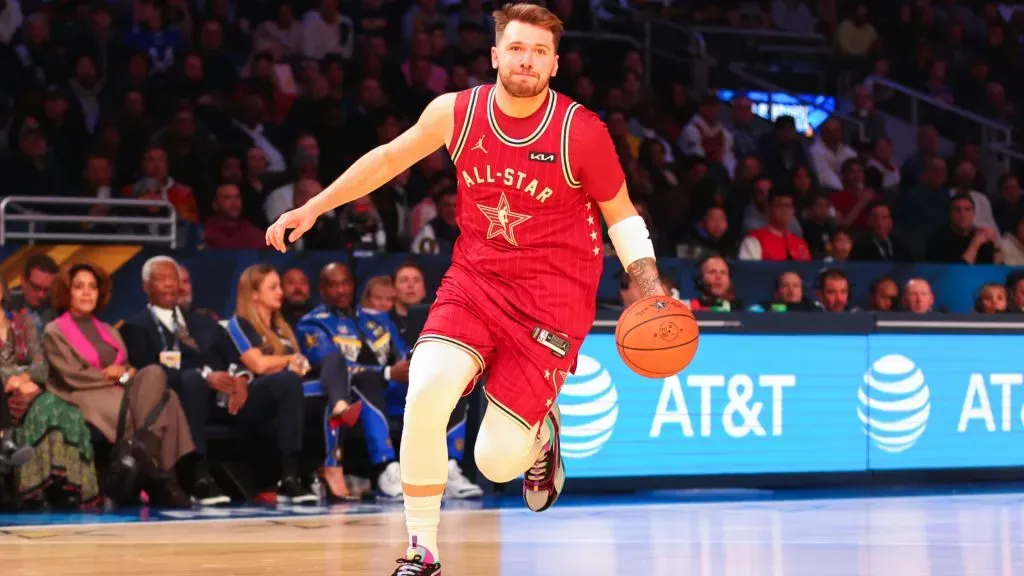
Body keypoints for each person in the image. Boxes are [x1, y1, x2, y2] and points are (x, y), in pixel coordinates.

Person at [266, 4, 665, 573]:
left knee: (495, 461)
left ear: (554, 65)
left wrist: (649, 287)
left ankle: (538, 438)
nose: (527, 59)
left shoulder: (582, 130)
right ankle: (421, 548)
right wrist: (312, 207)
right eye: (518, 48)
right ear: (496, 55)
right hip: (475, 282)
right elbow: (386, 160)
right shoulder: (457, 112)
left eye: (540, 52)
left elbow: (622, 217)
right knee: (426, 391)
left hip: (552, 301)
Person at [42, 263, 194, 507]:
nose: (87, 293)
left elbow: (128, 368)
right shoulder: (55, 331)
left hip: (118, 390)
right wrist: (111, 376)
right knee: (167, 401)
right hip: (83, 394)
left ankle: (141, 456)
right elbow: (72, 376)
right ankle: (161, 477)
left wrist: (125, 374)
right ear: (66, 292)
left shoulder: (109, 330)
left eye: (92, 287)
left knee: (154, 373)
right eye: (79, 287)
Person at [220, 264, 318, 503]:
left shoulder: (283, 328)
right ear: (254, 294)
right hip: (249, 400)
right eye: (272, 287)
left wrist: (290, 363)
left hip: (284, 396)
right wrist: (288, 361)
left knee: (322, 396)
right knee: (287, 380)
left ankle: (320, 471)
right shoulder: (239, 324)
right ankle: (289, 478)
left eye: (279, 287)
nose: (280, 292)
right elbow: (258, 365)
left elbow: (302, 365)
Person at [1, 282, 100, 509]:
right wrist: (11, 380)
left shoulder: (23, 324)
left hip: (31, 391)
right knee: (46, 408)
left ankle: (68, 484)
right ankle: (34, 489)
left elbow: (42, 368)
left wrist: (24, 379)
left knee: (67, 412)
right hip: (3, 397)